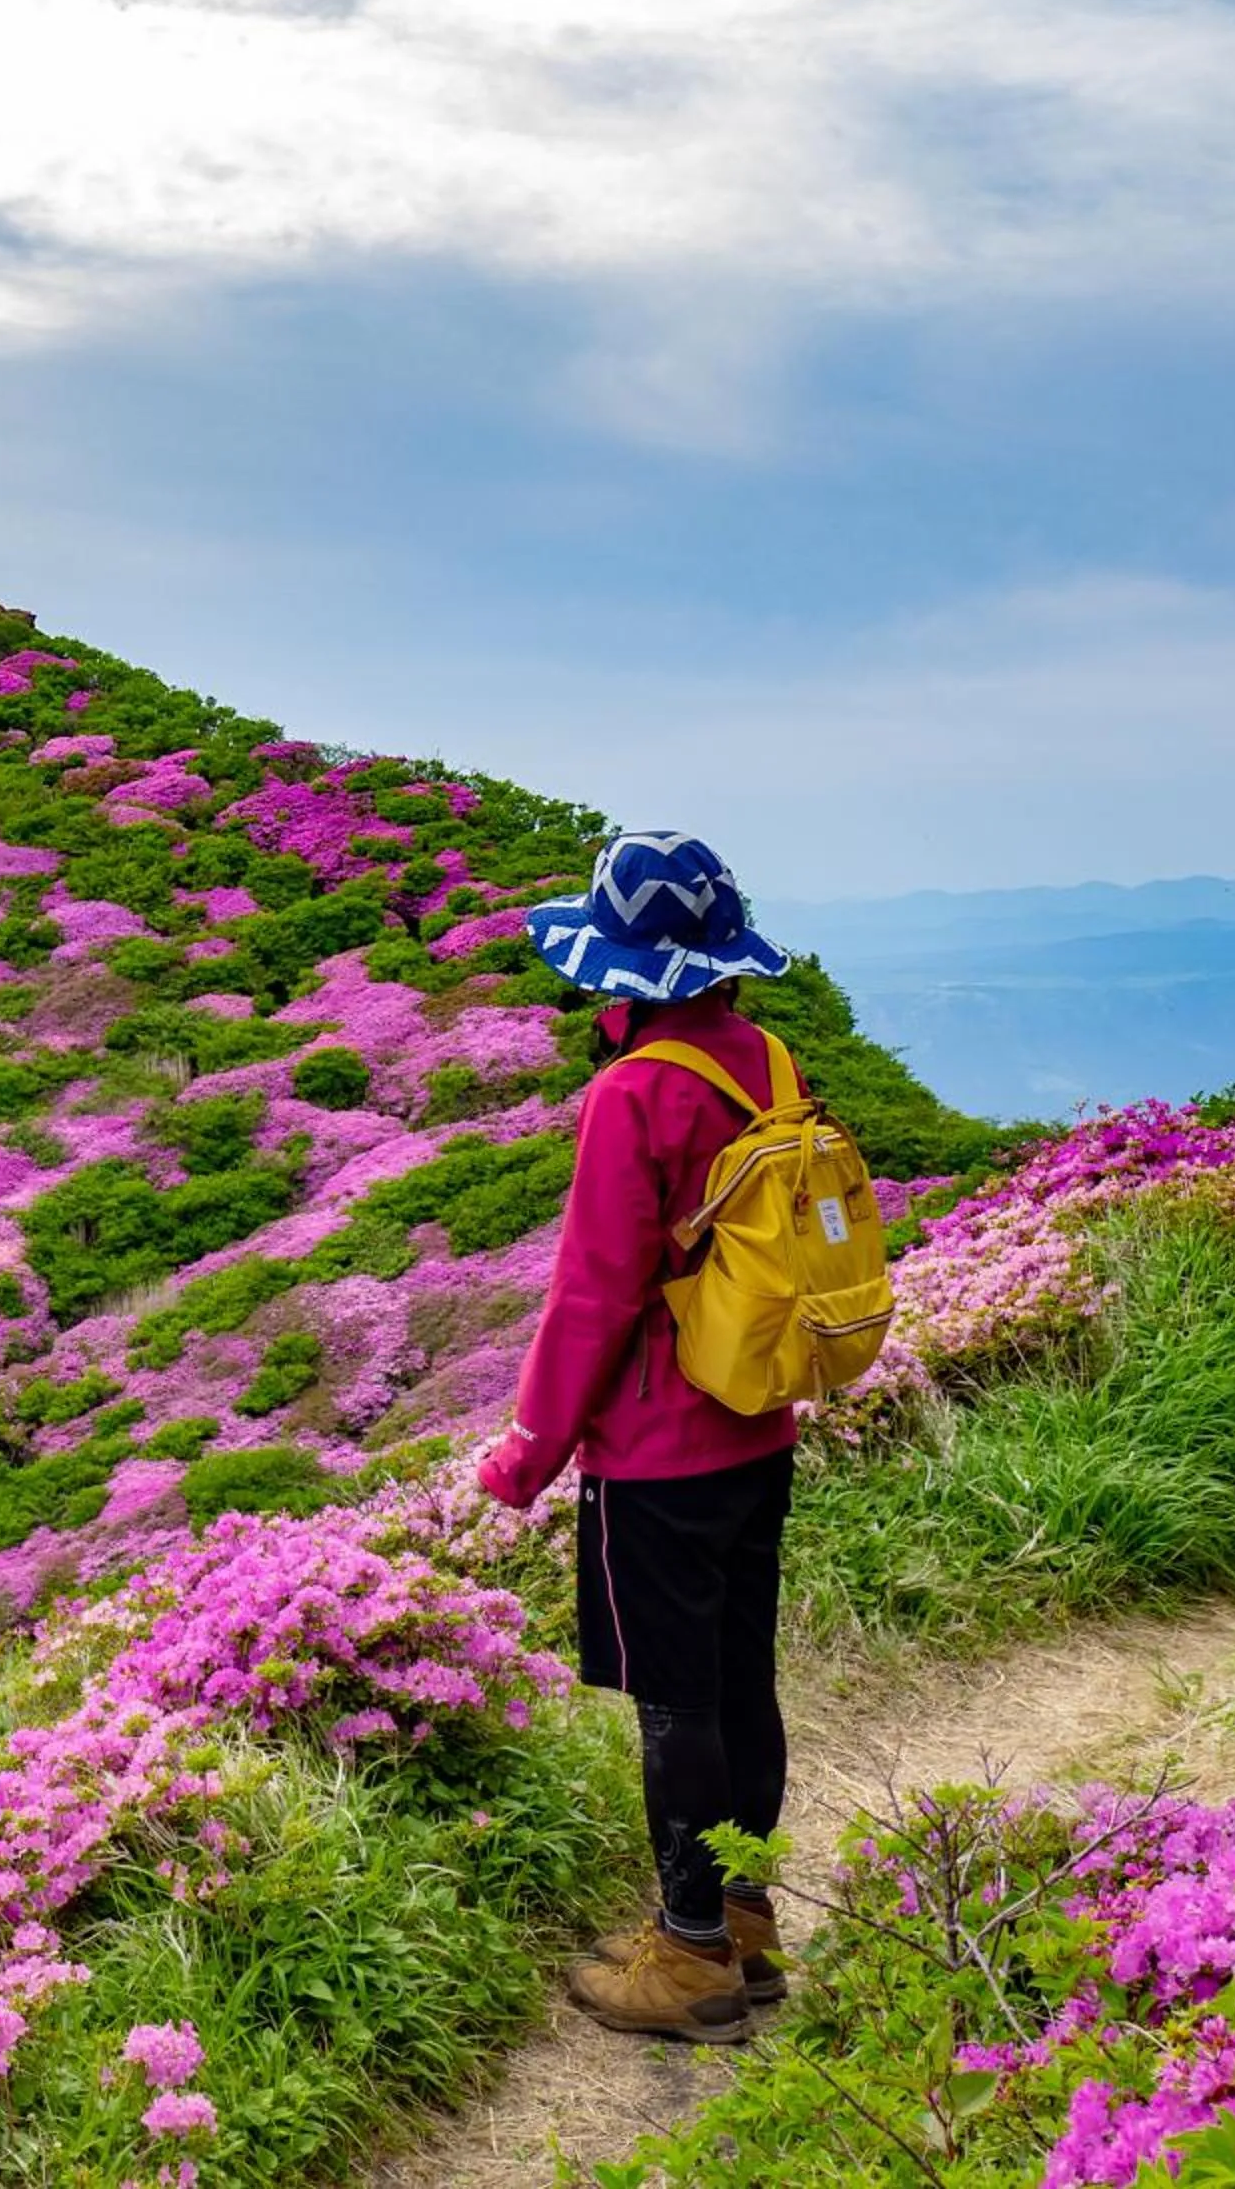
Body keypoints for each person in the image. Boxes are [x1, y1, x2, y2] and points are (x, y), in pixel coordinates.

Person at [476, 831, 803, 2047]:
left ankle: (692, 1957)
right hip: (759, 1421)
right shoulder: (764, 1058)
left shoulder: (632, 1093)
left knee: (676, 1705)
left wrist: (526, 1454)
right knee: (740, 1679)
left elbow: (593, 1297)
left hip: (659, 1452)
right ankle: (743, 1920)